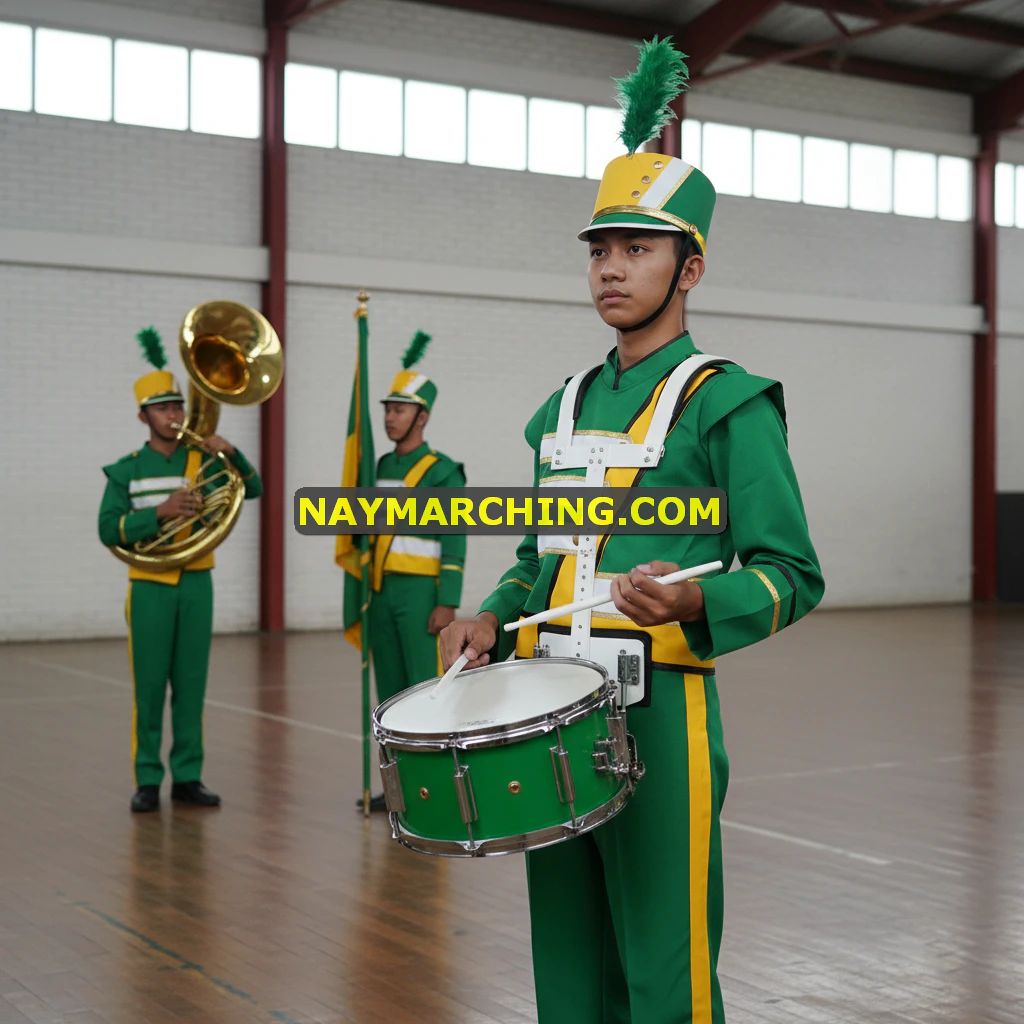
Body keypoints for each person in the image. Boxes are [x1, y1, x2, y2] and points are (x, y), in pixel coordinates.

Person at [440, 38, 824, 1024]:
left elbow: (790, 571)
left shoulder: (727, 403)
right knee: (567, 963)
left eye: (638, 248)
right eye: (600, 250)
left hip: (660, 715)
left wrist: (699, 597)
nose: (611, 269)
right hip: (547, 705)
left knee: (663, 967)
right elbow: (538, 555)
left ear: (688, 265)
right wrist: (490, 614)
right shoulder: (558, 410)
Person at [98, 327, 263, 813]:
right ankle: (147, 778)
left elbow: (250, 490)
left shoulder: (203, 459)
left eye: (176, 406)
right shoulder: (124, 470)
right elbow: (109, 528)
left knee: (192, 684)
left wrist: (230, 452)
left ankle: (188, 775)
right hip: (149, 587)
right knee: (148, 687)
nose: (174, 414)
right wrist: (161, 513)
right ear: (142, 415)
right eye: (163, 408)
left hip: (196, 581)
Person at [360, 332, 466, 812]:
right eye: (387, 409)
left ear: (422, 416)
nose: (389, 417)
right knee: (391, 693)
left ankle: (438, 786)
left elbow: (454, 538)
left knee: (427, 693)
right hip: (381, 593)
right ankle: (399, 787)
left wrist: (448, 599)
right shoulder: (378, 466)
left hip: (423, 594)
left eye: (399, 410)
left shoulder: (443, 472)